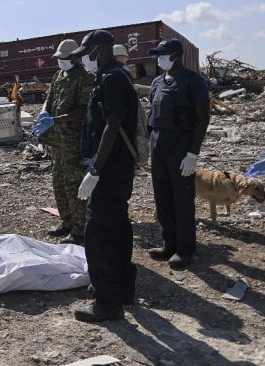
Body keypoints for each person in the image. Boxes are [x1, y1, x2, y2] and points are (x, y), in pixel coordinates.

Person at [70, 30, 139, 322]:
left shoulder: (112, 79)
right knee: (118, 227)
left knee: (97, 234)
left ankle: (107, 303)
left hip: (109, 169)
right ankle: (123, 289)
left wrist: (96, 168)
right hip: (115, 167)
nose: (83, 60)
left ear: (99, 50)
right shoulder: (111, 76)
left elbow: (112, 125)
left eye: (85, 53)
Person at [146, 39, 210, 269]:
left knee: (182, 199)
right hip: (159, 145)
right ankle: (169, 244)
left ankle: (185, 249)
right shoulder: (157, 82)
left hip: (181, 145)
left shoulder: (194, 81)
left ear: (175, 55)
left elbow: (203, 119)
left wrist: (193, 153)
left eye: (162, 55)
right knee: (162, 196)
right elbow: (151, 117)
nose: (158, 59)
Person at [32, 39, 93, 244]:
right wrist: (43, 115)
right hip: (57, 141)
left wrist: (56, 120)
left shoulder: (84, 78)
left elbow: (83, 110)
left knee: (73, 184)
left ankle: (79, 230)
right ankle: (66, 222)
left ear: (75, 57)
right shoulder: (59, 75)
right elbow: (48, 101)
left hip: (73, 141)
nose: (61, 62)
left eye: (64, 58)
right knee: (58, 182)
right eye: (59, 58)